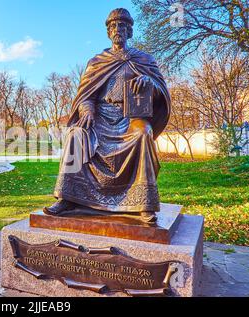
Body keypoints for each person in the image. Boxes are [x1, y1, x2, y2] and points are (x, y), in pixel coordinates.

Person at [44, 8, 171, 224]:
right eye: (113, 27)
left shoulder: (144, 59)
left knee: (143, 133)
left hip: (130, 116)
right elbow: (85, 95)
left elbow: (161, 90)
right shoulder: (97, 61)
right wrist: (87, 110)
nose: (117, 30)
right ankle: (68, 197)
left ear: (129, 31)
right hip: (100, 117)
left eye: (122, 26)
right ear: (108, 32)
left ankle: (143, 203)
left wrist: (149, 83)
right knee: (75, 134)